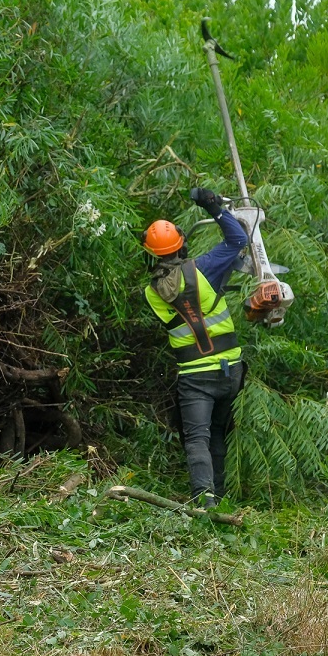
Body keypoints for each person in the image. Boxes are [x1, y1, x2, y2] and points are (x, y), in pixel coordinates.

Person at [141, 187, 247, 509]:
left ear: (150, 254)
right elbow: (238, 240)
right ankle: (221, 499)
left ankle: (206, 503)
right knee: (217, 435)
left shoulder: (151, 292)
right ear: (182, 244)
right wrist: (213, 206)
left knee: (197, 438)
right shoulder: (205, 268)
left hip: (195, 377)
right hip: (230, 371)